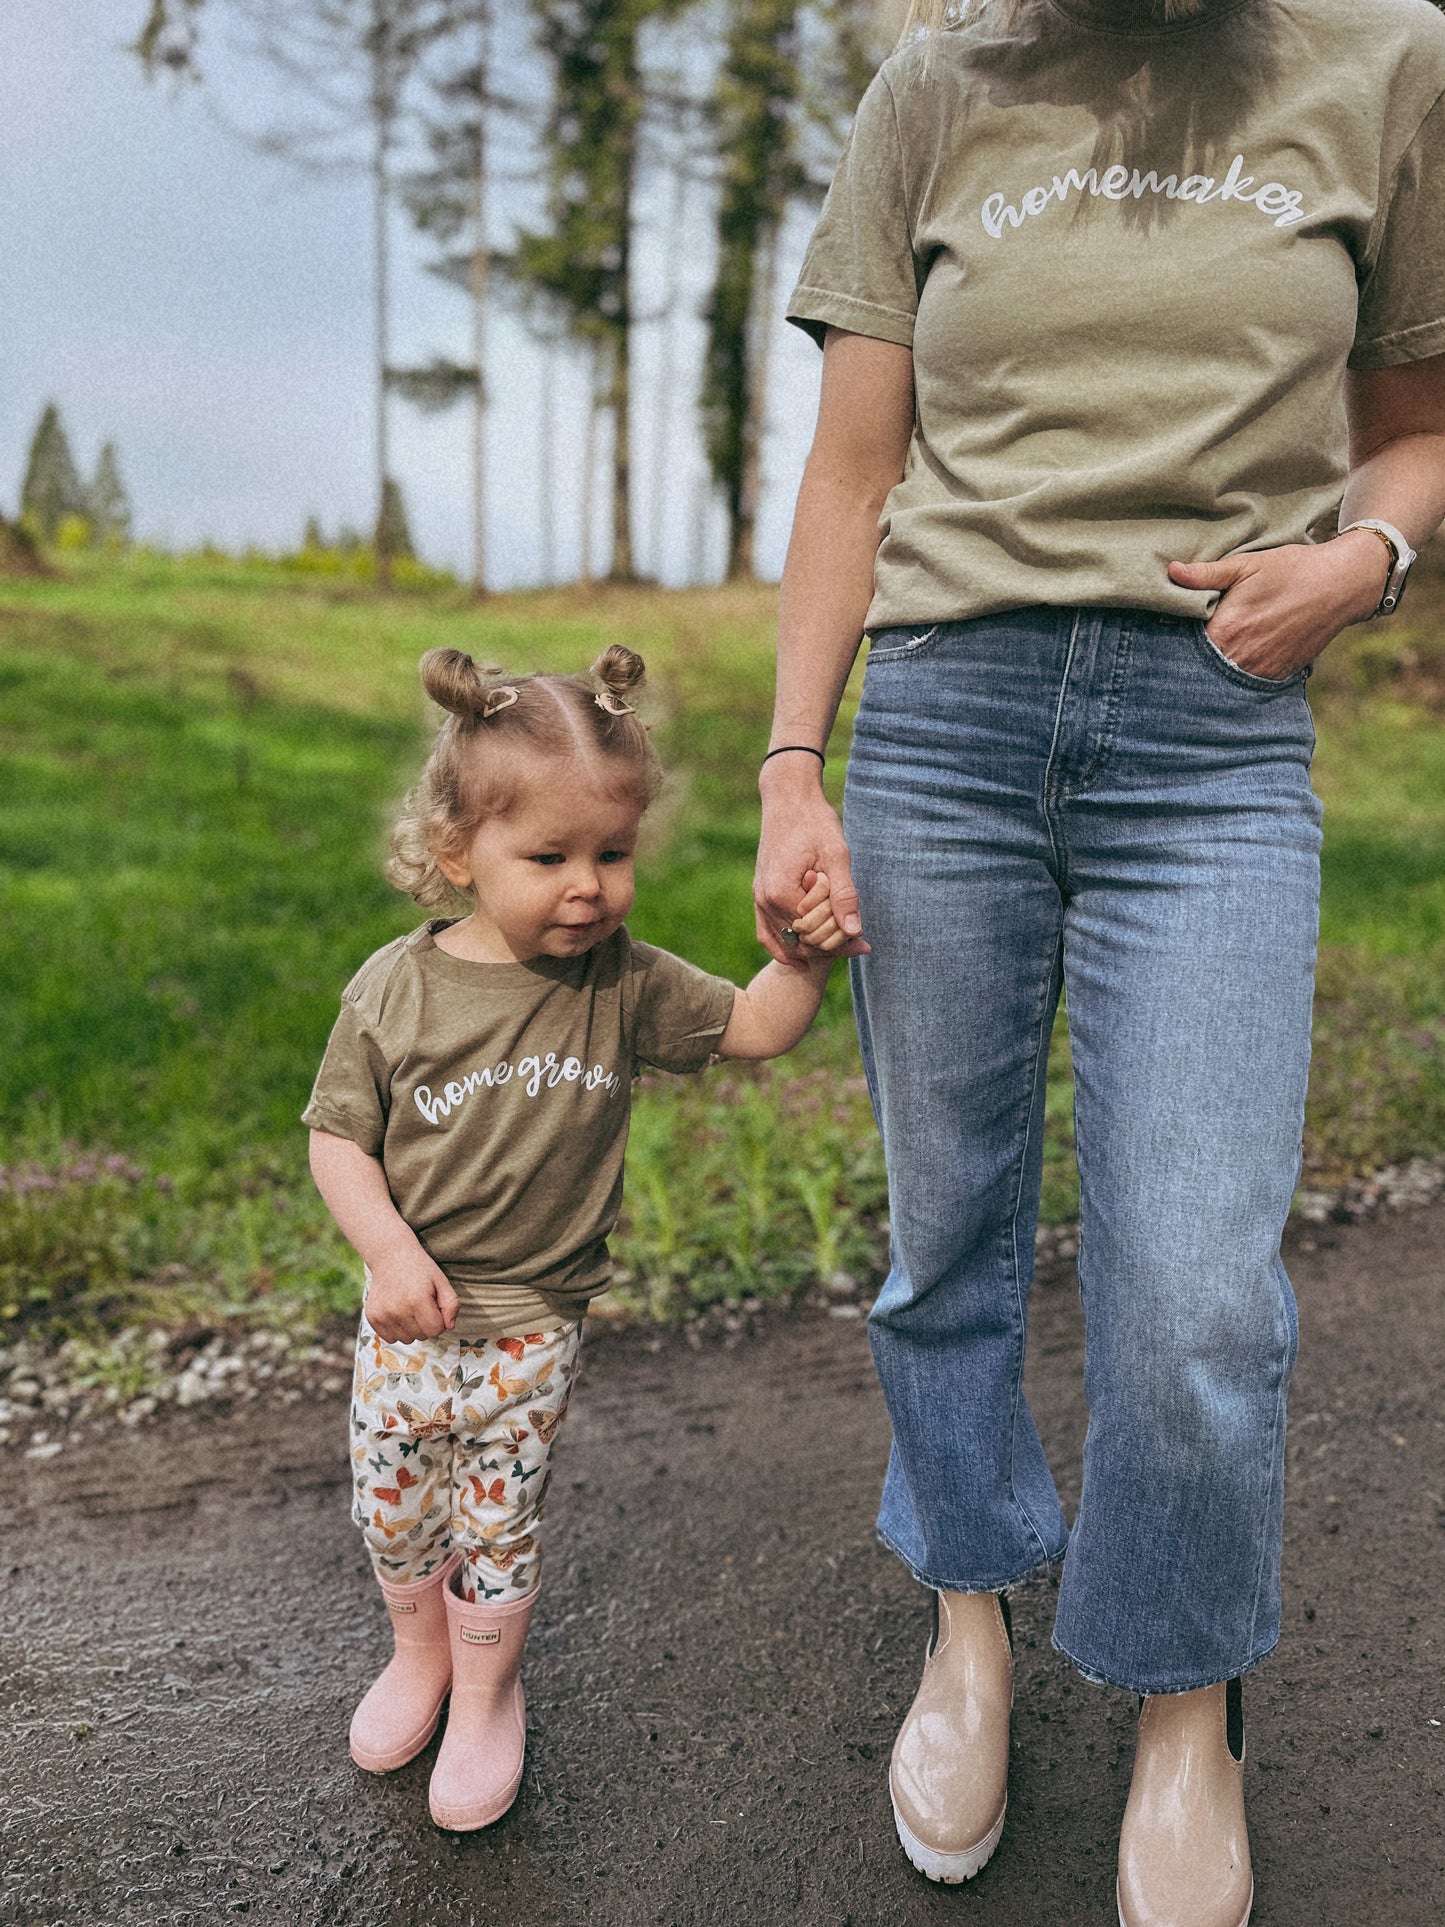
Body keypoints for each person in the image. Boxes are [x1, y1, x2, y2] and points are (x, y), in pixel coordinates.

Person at [755, 0, 1445, 1918]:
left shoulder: (1387, 66)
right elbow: (848, 473)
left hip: (1212, 738)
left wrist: (1365, 563)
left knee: (1200, 1282)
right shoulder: (933, 90)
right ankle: (968, 1620)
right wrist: (794, 763)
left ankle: (1180, 1704)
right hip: (948, 726)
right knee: (942, 1230)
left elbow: (1421, 434)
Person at [305, 643, 842, 1831]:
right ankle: (418, 1658)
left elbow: (753, 1026)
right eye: (546, 858)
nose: (587, 887)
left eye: (610, 853)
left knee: (497, 1515)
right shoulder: (395, 993)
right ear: (456, 854)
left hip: (533, 1325)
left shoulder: (620, 983)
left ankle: (488, 1692)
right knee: (395, 1501)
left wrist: (798, 958)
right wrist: (389, 1253)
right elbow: (336, 1140)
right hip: (410, 1312)